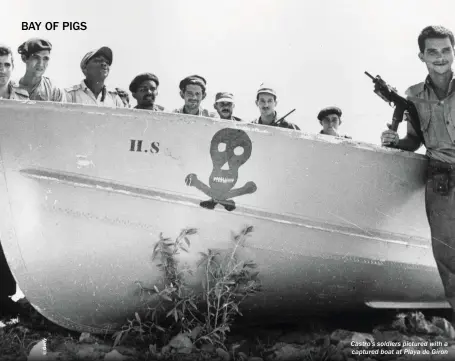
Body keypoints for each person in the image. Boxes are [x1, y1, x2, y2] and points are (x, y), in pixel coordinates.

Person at [381, 25, 455, 322]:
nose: (440, 57)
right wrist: (395, 142)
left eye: (446, 50)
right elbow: (414, 140)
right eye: (432, 51)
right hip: (441, 180)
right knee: (447, 256)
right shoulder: (413, 95)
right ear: (421, 55)